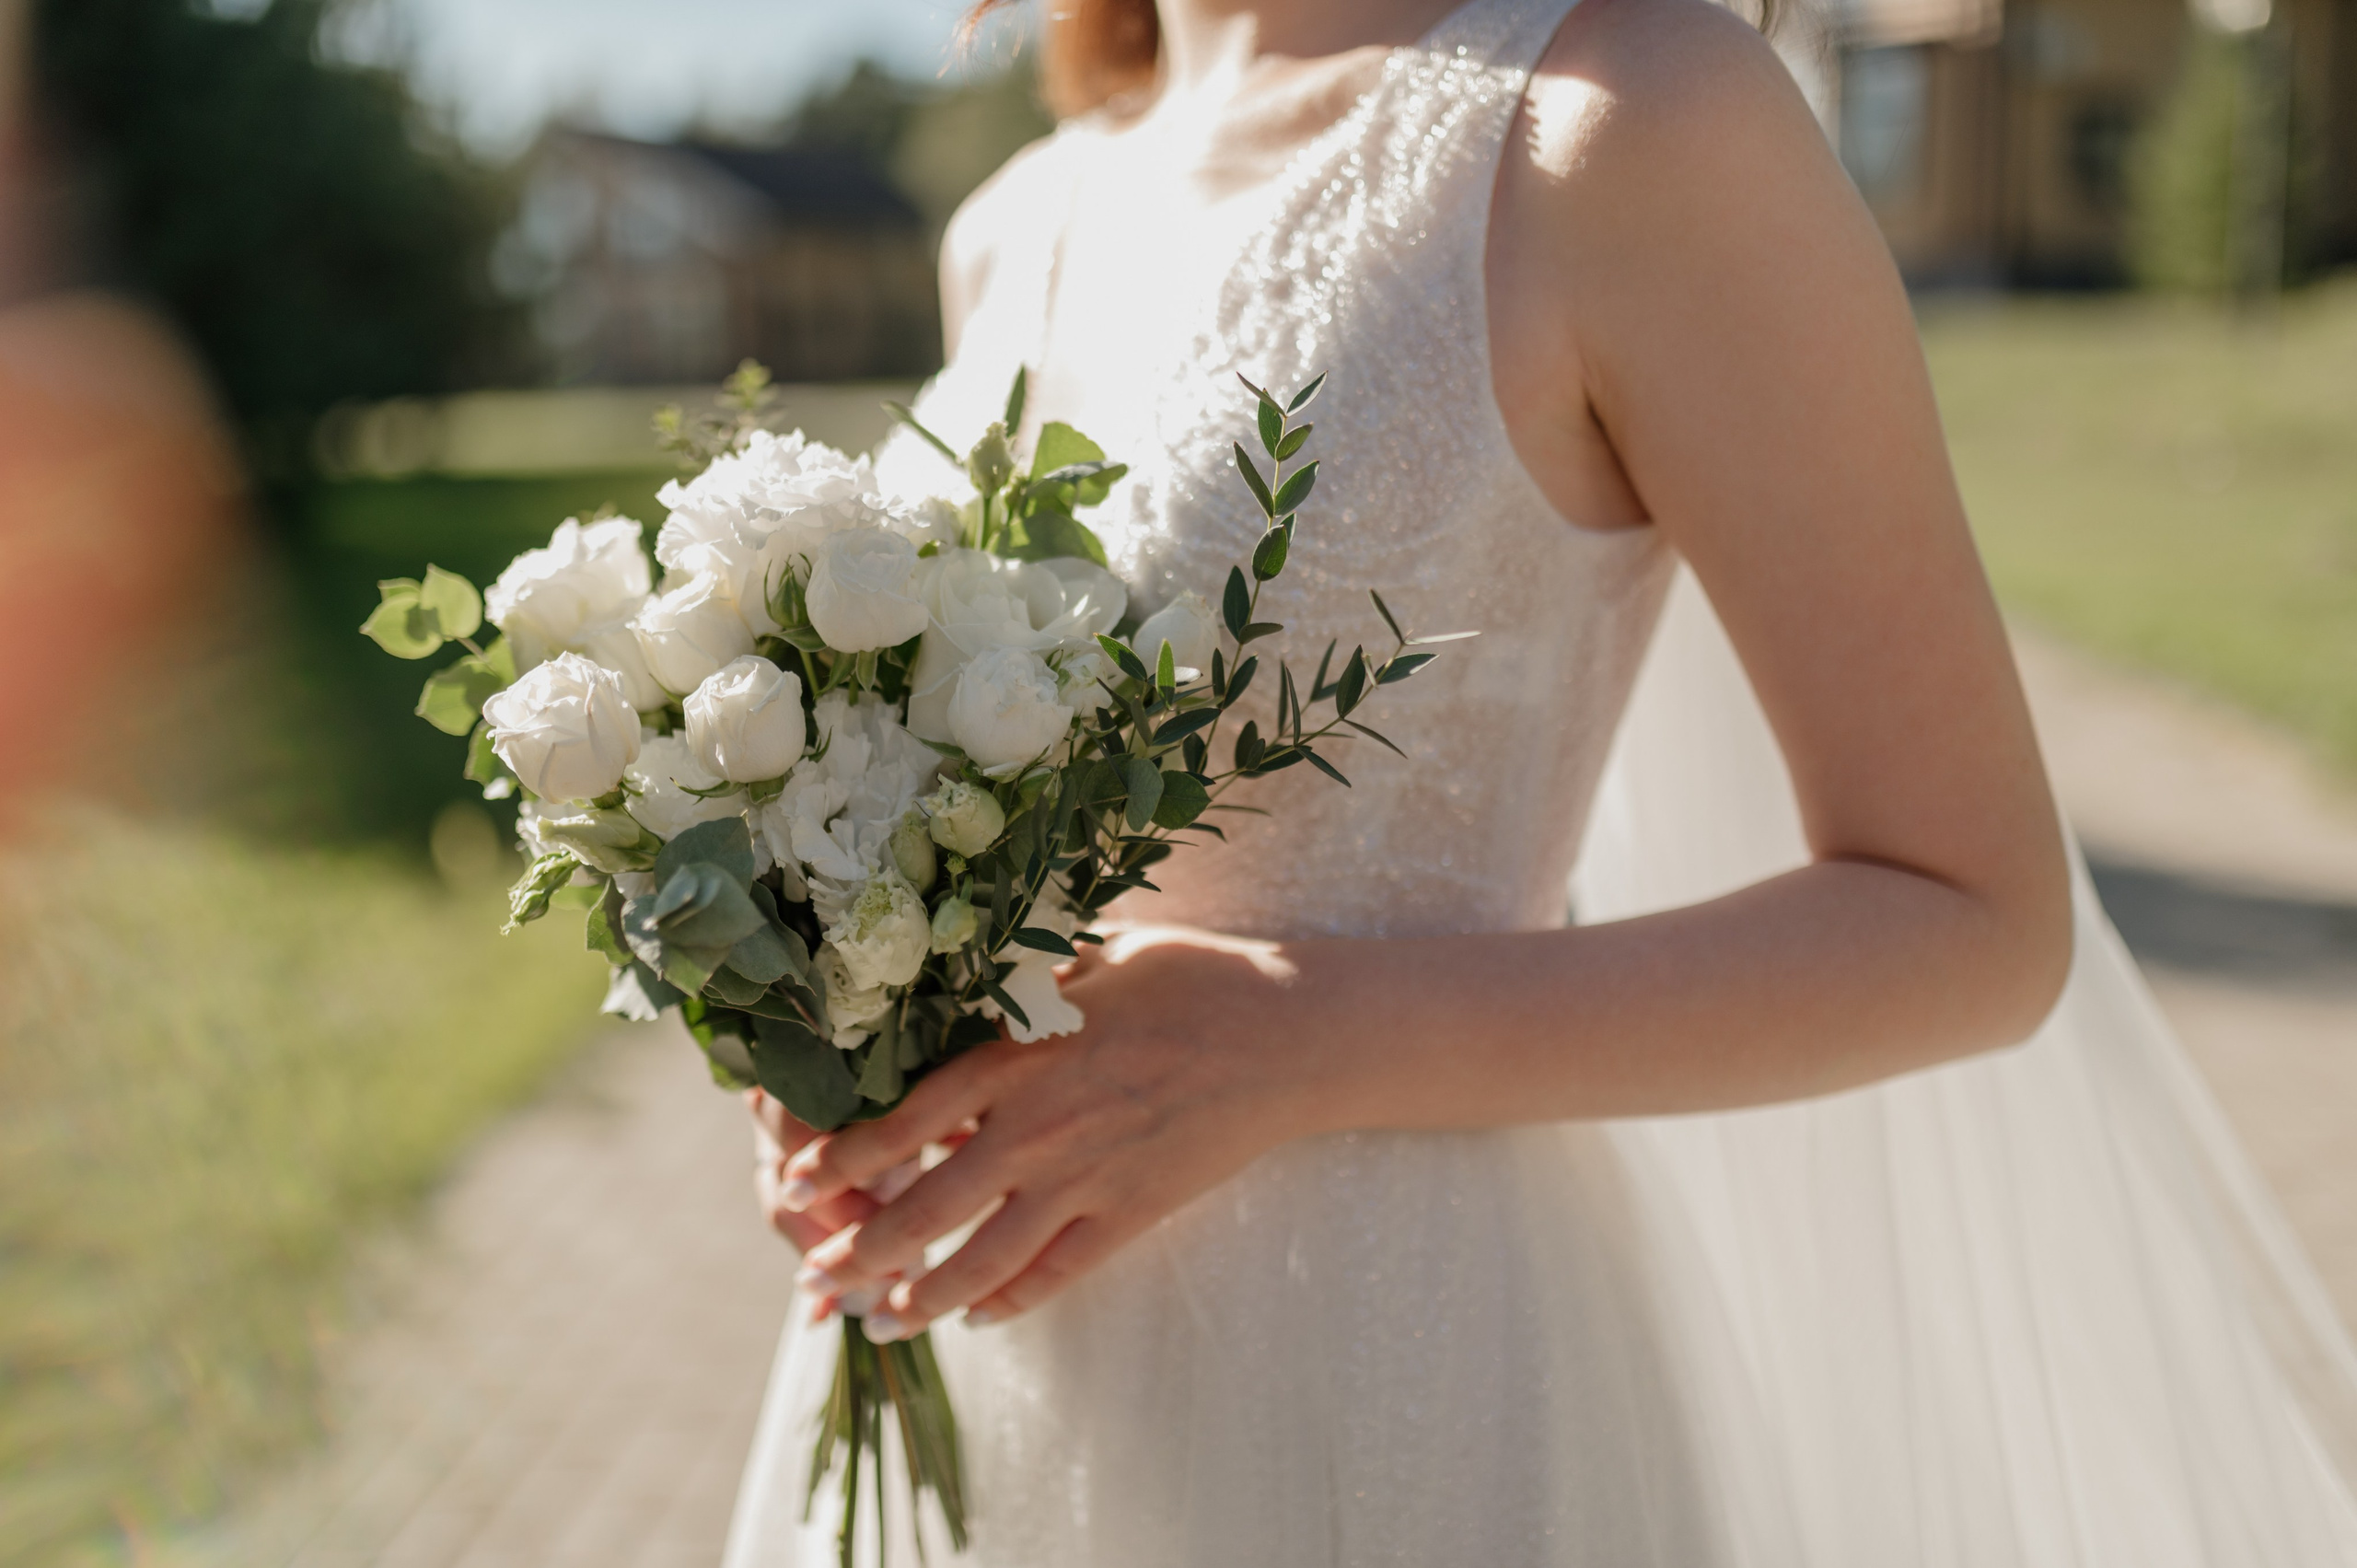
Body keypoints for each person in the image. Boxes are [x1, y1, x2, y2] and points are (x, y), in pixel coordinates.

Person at [726, 0, 2357, 1561]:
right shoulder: (1013, 222)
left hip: (1398, 1386)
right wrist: (846, 1047)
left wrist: (1286, 1038)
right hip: (991, 1390)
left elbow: (1977, 920)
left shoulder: (1625, 124)